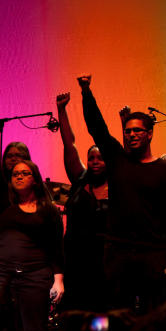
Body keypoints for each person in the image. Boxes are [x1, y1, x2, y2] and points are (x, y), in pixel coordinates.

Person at [78, 74, 166, 312]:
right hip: (118, 251)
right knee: (115, 313)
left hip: (153, 252)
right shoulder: (117, 160)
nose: (131, 134)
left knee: (152, 314)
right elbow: (97, 128)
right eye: (127, 131)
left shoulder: (165, 171)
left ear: (149, 134)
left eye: (137, 131)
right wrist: (86, 91)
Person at [0, 160, 64, 331]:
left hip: (35, 277)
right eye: (15, 174)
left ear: (35, 179)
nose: (18, 176)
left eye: (24, 173)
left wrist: (58, 280)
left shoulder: (48, 211)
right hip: (3, 276)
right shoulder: (6, 208)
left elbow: (56, 247)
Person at [56, 91, 108, 311]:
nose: (95, 162)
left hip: (104, 261)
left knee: (102, 310)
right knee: (76, 311)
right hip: (76, 258)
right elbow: (69, 144)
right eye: (91, 158)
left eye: (100, 158)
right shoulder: (80, 179)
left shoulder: (118, 185)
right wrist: (61, 110)